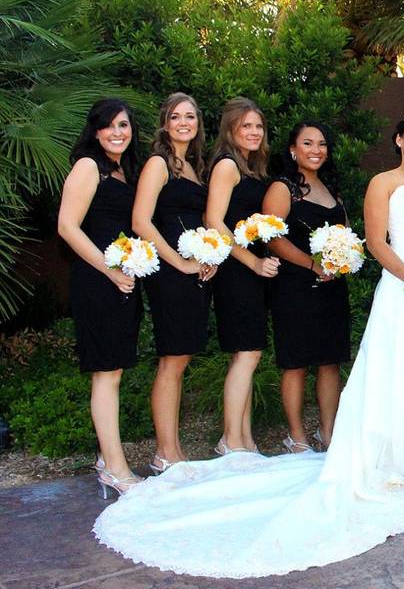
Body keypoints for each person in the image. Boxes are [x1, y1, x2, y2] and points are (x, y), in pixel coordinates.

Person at [93, 110, 404, 578]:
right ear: (398, 139)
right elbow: (373, 240)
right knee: (397, 371)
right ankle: (366, 452)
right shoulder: (378, 183)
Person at [57, 98, 144, 496]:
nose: (117, 132)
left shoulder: (124, 172)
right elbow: (68, 227)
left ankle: (106, 459)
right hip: (97, 281)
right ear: (95, 131)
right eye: (109, 126)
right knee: (106, 374)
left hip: (122, 281)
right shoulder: (88, 166)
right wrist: (109, 272)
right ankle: (115, 467)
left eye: (124, 125)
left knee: (114, 372)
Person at [132, 93, 216, 474]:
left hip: (193, 273)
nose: (184, 122)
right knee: (171, 359)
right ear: (165, 123)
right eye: (176, 117)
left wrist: (207, 259)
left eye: (191, 117)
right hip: (169, 273)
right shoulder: (158, 163)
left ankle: (175, 449)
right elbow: (141, 222)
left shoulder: (194, 167)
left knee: (181, 358)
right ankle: (165, 452)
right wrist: (181, 263)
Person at [263, 121, 351, 453]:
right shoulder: (283, 188)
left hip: (332, 288)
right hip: (295, 287)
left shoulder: (332, 190)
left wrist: (344, 258)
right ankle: (296, 436)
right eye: (308, 143)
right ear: (292, 149)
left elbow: (346, 234)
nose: (316, 150)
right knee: (296, 362)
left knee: (330, 362)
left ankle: (327, 433)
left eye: (322, 144)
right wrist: (313, 264)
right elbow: (272, 238)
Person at [204, 97, 279, 454]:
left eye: (258, 126)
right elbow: (213, 222)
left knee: (246, 355)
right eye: (246, 125)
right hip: (236, 270)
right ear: (231, 129)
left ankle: (243, 438)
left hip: (251, 270)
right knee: (247, 354)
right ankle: (231, 441)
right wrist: (250, 262)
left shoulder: (250, 167)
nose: (253, 132)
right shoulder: (226, 166)